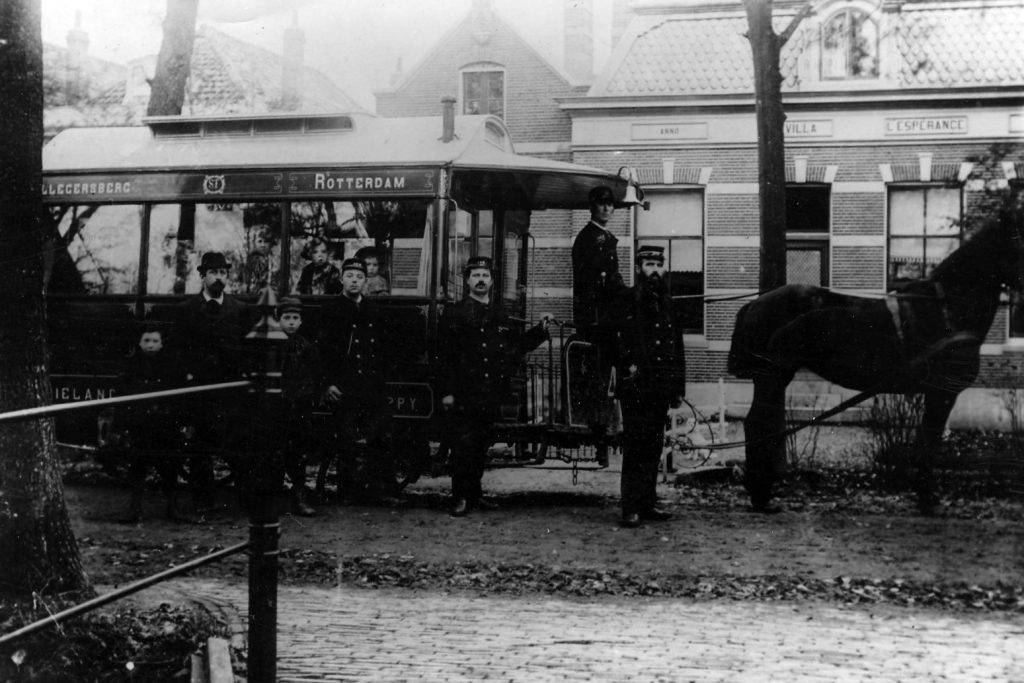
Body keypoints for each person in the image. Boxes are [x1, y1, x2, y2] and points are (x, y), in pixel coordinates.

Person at [437, 256, 551, 517]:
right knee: (463, 445)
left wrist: (540, 331)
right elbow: (444, 356)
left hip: (490, 391)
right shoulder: (454, 313)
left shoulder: (500, 314)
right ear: (466, 281)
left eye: (485, 275)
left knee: (480, 445)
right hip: (464, 391)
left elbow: (515, 347)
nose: (480, 280)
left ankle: (475, 495)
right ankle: (460, 498)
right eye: (475, 275)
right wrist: (447, 391)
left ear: (491, 281)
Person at [604, 245, 685, 528]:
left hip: (661, 386)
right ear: (638, 268)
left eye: (658, 264)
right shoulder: (627, 300)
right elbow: (613, 340)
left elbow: (677, 346)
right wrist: (627, 367)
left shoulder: (667, 303)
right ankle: (630, 507)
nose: (654, 270)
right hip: (637, 385)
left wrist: (677, 387)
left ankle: (647, 503)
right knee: (636, 446)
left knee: (653, 445)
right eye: (648, 264)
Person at [171, 251, 252, 510]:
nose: (220, 278)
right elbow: (177, 348)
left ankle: (243, 498)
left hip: (231, 389)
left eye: (223, 273)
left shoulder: (240, 310)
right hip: (200, 388)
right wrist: (187, 374)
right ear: (202, 275)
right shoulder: (185, 310)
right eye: (214, 273)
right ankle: (202, 499)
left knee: (236, 442)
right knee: (201, 445)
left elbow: (248, 348)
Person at [319, 258, 397, 503]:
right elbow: (322, 352)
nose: (354, 280)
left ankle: (380, 491)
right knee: (346, 439)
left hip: (372, 383)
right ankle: (347, 492)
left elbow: (384, 348)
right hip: (345, 384)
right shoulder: (331, 310)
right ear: (341, 279)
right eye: (350, 275)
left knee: (379, 436)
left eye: (359, 276)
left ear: (366, 281)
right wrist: (327, 383)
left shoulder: (373, 308)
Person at [571, 185, 627, 466]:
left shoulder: (603, 238)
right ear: (591, 207)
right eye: (601, 204)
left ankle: (611, 431)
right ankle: (601, 438)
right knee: (599, 379)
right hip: (596, 322)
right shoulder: (589, 240)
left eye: (610, 204)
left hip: (605, 318)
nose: (607, 209)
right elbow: (598, 284)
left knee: (609, 377)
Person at [118, 323, 188, 523]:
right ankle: (134, 509)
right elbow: (122, 397)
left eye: (155, 341)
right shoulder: (130, 365)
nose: (150, 345)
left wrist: (180, 421)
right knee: (138, 466)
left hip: (165, 423)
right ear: (139, 343)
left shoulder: (173, 365)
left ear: (162, 344)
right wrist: (124, 425)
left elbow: (181, 396)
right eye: (146, 340)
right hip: (140, 423)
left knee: (170, 466)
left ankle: (173, 508)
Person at [277, 297, 321, 516]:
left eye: (295, 318)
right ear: (279, 320)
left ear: (301, 321)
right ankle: (274, 498)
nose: (291, 323)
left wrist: (301, 397)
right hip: (277, 406)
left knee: (298, 452)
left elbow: (311, 377)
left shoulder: (306, 347)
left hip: (299, 407)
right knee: (275, 450)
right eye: (287, 318)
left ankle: (299, 497)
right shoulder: (271, 345)